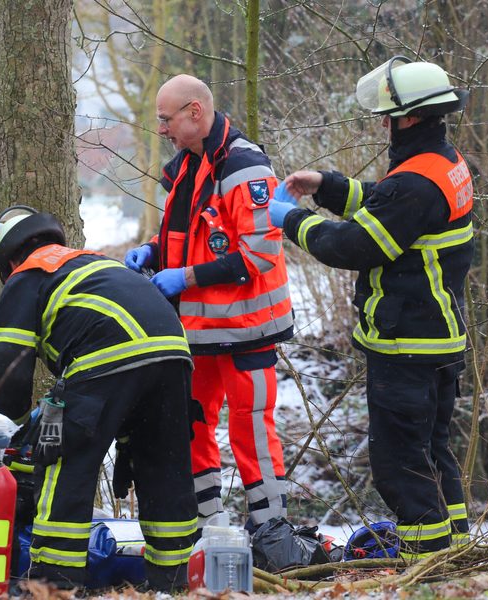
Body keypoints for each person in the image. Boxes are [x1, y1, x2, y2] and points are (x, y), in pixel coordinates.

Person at [269, 57, 473, 559]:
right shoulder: (441, 163)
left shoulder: (417, 183)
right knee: (432, 452)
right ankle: (458, 555)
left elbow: (356, 246)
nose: (382, 122)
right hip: (437, 339)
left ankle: (425, 565)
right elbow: (386, 207)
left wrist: (292, 220)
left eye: (387, 115)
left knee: (401, 464)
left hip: (408, 344)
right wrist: (329, 186)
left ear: (409, 117)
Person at [0, 206, 197, 592]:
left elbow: (7, 369)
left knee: (61, 461)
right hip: (175, 352)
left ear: (8, 257)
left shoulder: (28, 275)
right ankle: (171, 580)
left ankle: (55, 584)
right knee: (165, 466)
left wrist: (12, 427)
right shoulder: (96, 263)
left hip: (106, 357)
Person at [124, 74, 294, 528]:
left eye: (166, 119)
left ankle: (271, 530)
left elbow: (258, 255)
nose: (161, 129)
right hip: (198, 332)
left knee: (251, 427)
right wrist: (155, 252)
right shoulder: (187, 165)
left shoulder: (245, 169)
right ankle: (203, 525)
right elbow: (192, 238)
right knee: (191, 425)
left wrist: (186, 278)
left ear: (195, 113)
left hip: (248, 329)